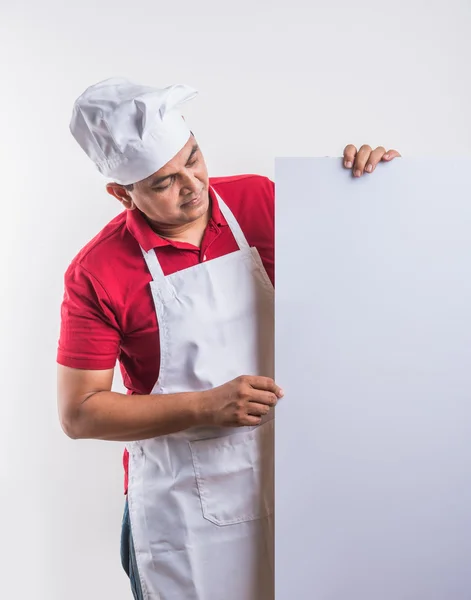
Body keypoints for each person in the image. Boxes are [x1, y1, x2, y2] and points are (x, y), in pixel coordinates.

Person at [57, 77, 401, 600]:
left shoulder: (259, 200)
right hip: (182, 508)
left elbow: (362, 276)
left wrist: (369, 187)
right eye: (162, 182)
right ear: (121, 193)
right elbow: (80, 413)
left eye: (193, 157)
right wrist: (206, 406)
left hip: (297, 479)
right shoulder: (97, 271)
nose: (192, 185)